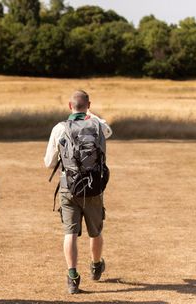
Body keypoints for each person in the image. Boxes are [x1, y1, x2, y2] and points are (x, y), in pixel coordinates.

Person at [44, 90, 112, 294]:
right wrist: (94, 116)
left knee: (70, 232)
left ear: (69, 106)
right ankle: (96, 264)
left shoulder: (60, 128)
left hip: (69, 186)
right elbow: (109, 131)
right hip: (94, 186)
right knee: (96, 230)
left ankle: (72, 276)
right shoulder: (98, 125)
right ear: (88, 105)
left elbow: (49, 163)